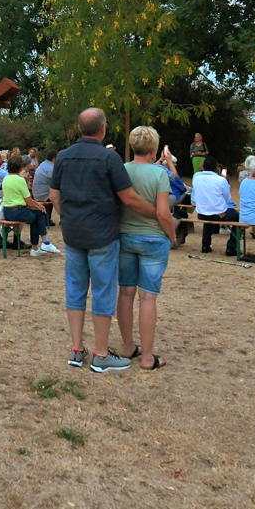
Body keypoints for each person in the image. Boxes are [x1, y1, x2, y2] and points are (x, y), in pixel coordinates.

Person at [49, 108, 158, 373]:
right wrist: (158, 215)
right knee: (103, 292)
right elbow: (129, 197)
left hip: (74, 235)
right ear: (103, 129)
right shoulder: (109, 158)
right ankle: (100, 353)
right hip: (103, 237)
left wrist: (71, 217)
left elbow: (54, 196)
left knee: (75, 290)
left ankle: (76, 349)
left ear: (79, 128)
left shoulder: (63, 157)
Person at [115, 126, 178, 371]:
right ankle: (147, 357)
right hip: (152, 238)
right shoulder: (160, 173)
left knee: (125, 293)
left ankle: (128, 345)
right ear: (154, 149)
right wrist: (171, 234)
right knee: (148, 296)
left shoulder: (121, 170)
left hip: (125, 236)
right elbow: (163, 212)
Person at [1, 154, 59, 256]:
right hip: (18, 211)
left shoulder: (6, 178)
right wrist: (39, 206)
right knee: (39, 214)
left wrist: (38, 205)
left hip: (7, 211)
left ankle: (38, 247)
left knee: (36, 215)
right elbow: (29, 201)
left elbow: (27, 200)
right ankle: (43, 243)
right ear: (20, 167)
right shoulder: (20, 180)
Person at [192, 156, 238, 256]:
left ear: (203, 167)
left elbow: (195, 196)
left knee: (209, 213)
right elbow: (227, 198)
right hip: (219, 214)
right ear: (216, 167)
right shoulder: (221, 180)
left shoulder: (196, 178)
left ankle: (205, 245)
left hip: (201, 213)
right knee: (238, 217)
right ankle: (231, 247)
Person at [31, 149, 56, 226]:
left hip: (37, 192)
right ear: (54, 158)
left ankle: (47, 218)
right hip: (42, 194)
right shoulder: (51, 168)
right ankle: (47, 219)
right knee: (58, 196)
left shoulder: (44, 164)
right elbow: (56, 181)